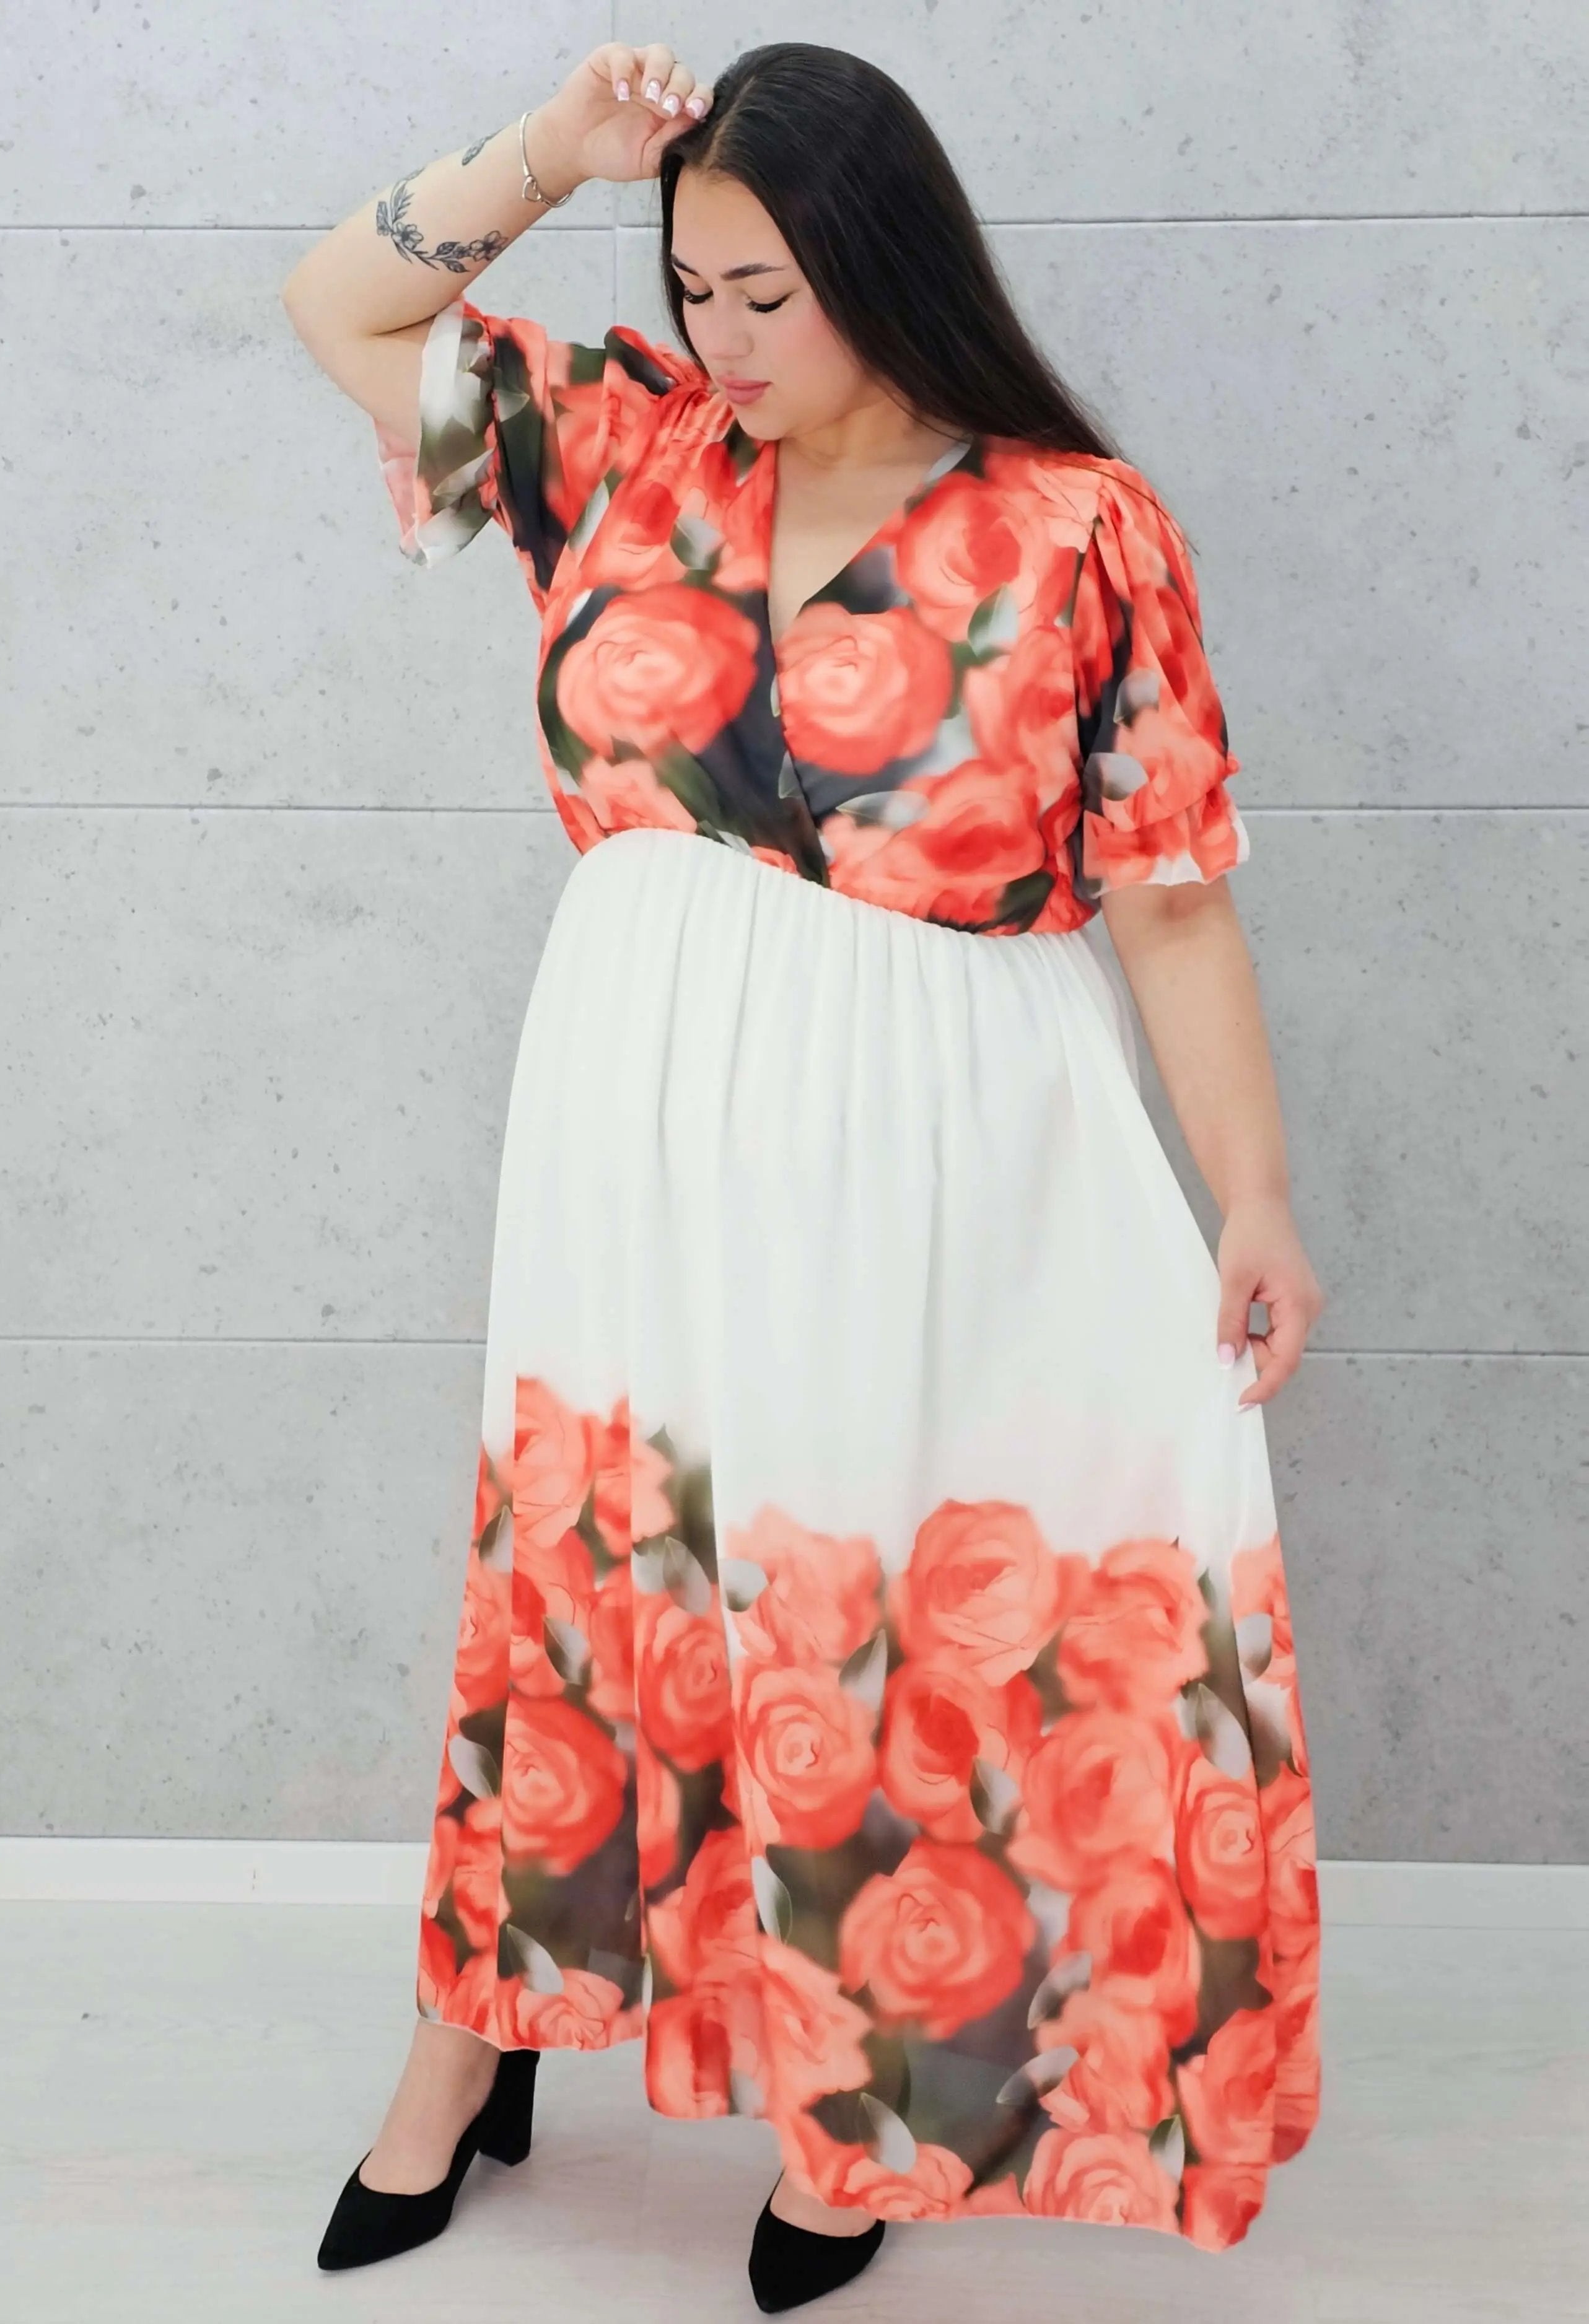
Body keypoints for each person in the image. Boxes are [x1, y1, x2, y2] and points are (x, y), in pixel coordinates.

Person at [281, 37, 1326, 2312]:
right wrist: (556, 156)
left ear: (885, 264)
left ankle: (854, 2116)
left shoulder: (1077, 527)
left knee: (862, 1618)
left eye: (769, 294)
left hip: (933, 1160)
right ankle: (472, 2038)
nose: (726, 337)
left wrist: (1251, 1192)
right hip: (626, 1143)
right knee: (590, 1578)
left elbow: (1170, 902)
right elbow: (340, 304)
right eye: (698, 286)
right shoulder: (627, 443)